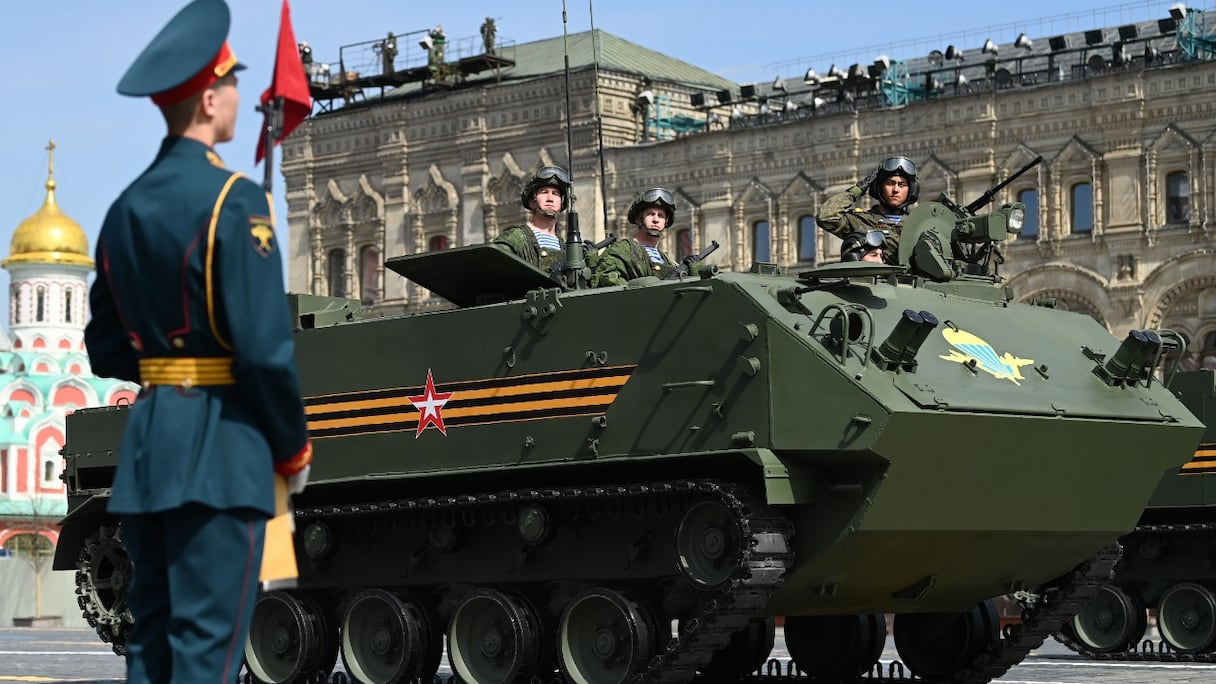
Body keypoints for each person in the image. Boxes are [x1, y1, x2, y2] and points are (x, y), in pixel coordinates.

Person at [83, 1, 313, 681]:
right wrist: (293, 447)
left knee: (152, 653)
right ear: (209, 98)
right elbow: (265, 349)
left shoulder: (124, 210)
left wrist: (166, 364)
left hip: (149, 455)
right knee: (207, 656)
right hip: (223, 454)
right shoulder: (236, 200)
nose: (241, 97)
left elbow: (104, 348)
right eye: (233, 84)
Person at [817, 156, 919, 265]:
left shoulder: (918, 225)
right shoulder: (861, 221)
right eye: (890, 183)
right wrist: (857, 191)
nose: (895, 190)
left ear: (911, 190)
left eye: (902, 185)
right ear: (879, 187)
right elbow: (826, 217)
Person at [592, 188, 683, 286]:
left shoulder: (667, 261)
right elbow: (606, 277)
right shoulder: (623, 250)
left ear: (666, 222)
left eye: (661, 216)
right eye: (650, 214)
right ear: (638, 219)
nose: (656, 219)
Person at [492, 166, 572, 274]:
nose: (550, 198)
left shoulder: (564, 246)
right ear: (531, 202)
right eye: (544, 192)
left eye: (555, 193)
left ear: (561, 204)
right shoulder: (515, 238)